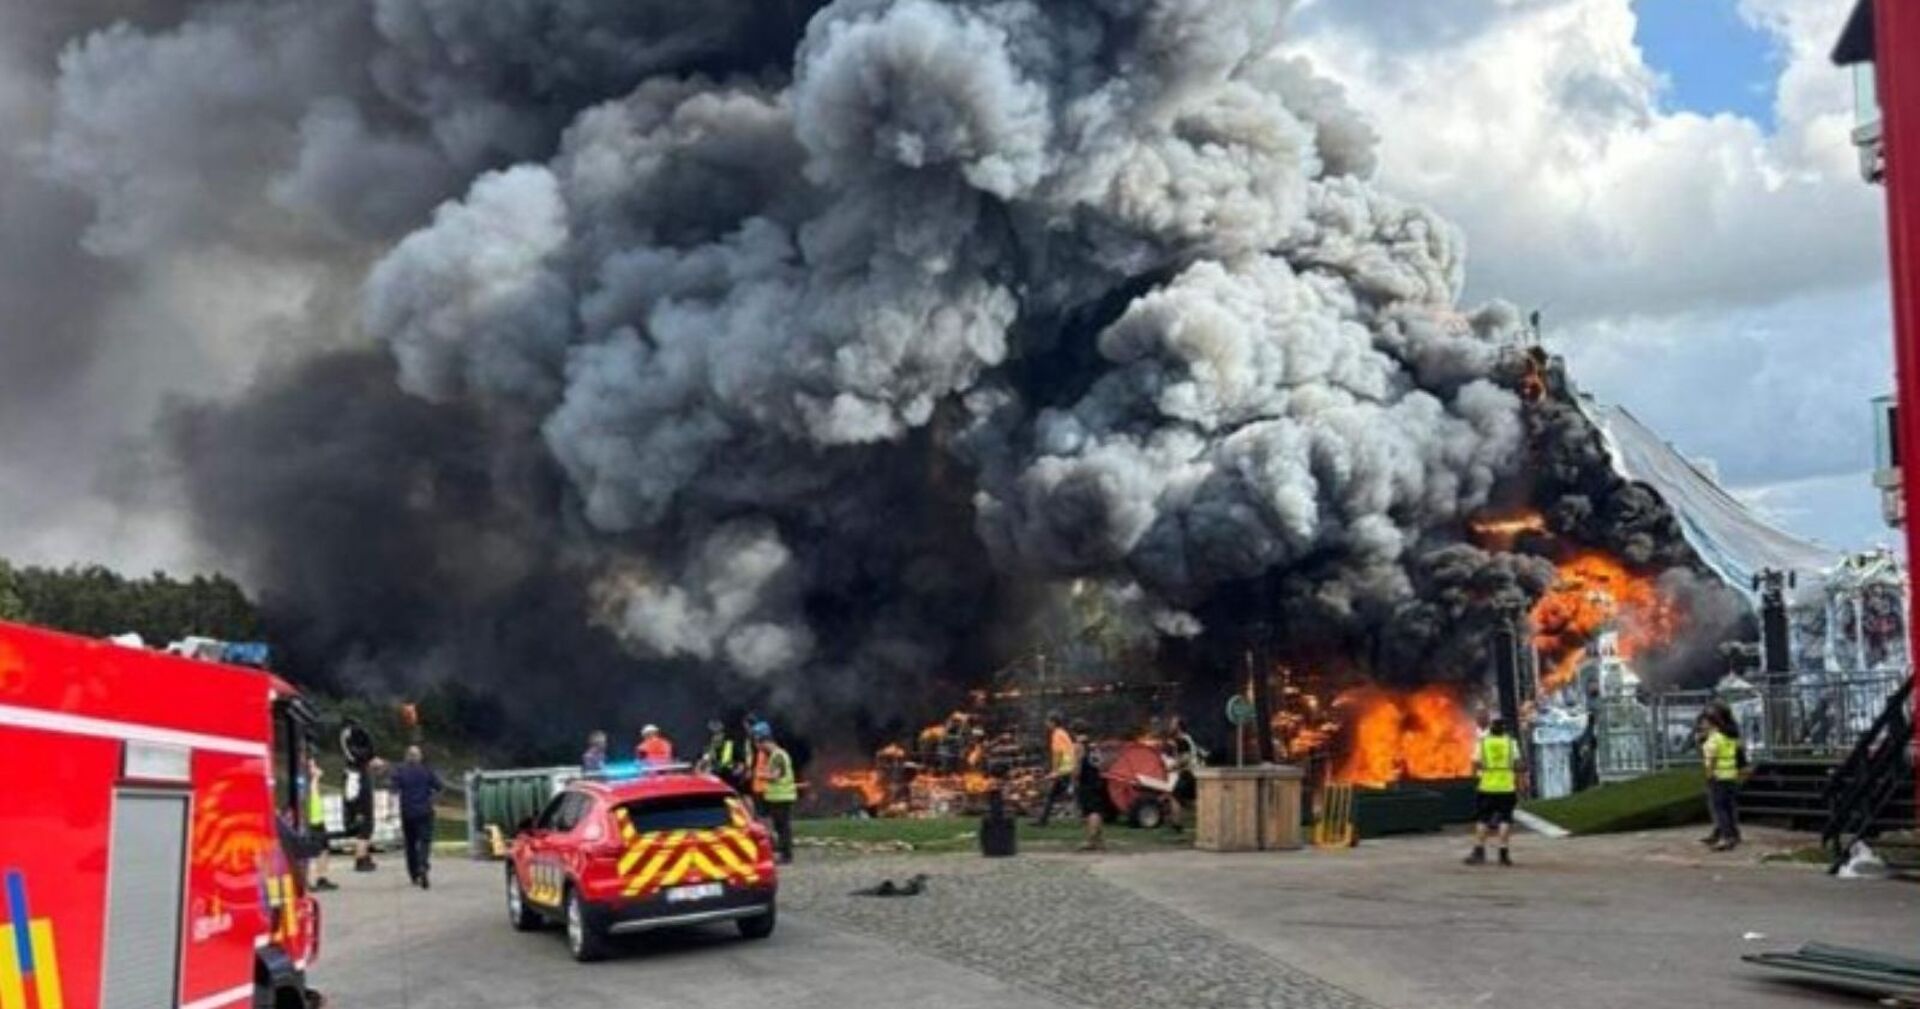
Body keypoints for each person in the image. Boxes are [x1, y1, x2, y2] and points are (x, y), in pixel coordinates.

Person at [1465, 717, 1523, 866]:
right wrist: (1520, 782)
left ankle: (1479, 851)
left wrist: (1476, 777)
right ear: (1504, 729)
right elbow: (1518, 765)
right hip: (1507, 786)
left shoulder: (1483, 743)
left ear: (1491, 728)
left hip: (1487, 787)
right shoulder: (1511, 743)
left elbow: (1475, 764)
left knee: (1483, 819)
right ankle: (1503, 853)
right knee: (1505, 819)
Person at [389, 746, 444, 889]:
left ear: (406, 757)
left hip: (407, 812)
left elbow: (393, 792)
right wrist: (433, 800)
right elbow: (439, 787)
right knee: (425, 841)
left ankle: (414, 874)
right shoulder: (426, 770)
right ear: (419, 757)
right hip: (425, 811)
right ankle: (423, 865)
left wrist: (391, 811)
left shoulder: (399, 771)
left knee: (410, 844)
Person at [752, 722, 797, 864]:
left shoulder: (777, 756)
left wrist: (760, 775)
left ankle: (786, 856)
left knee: (783, 828)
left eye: (758, 743)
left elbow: (776, 776)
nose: (757, 747)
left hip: (782, 798)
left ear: (763, 741)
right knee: (780, 827)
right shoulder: (774, 755)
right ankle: (784, 853)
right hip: (778, 798)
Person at [1702, 704, 1744, 851]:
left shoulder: (1716, 738)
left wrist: (1709, 774)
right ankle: (1729, 834)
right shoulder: (1730, 735)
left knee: (1720, 808)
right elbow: (1736, 751)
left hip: (1718, 776)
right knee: (1728, 806)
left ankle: (1727, 836)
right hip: (1730, 774)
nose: (1702, 724)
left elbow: (1712, 758)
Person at [1033, 713, 1077, 827]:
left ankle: (1042, 821)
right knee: (1055, 795)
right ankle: (1042, 820)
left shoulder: (1057, 734)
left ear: (1053, 722)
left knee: (1054, 795)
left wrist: (1055, 771)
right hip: (1068, 766)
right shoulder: (1063, 733)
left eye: (1047, 721)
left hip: (1064, 768)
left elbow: (1058, 753)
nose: (1046, 724)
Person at [304, 756, 338, 892]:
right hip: (310, 820)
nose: (316, 767)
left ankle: (321, 878)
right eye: (312, 766)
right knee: (310, 852)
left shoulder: (313, 781)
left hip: (318, 819)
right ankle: (307, 880)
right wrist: (316, 777)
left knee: (324, 849)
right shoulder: (307, 782)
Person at [1164, 715, 1202, 833]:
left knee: (1175, 796)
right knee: (1189, 800)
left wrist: (1171, 767)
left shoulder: (1182, 740)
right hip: (1191, 772)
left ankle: (1177, 825)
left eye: (1173, 724)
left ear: (1178, 727)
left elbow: (1185, 758)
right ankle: (1178, 823)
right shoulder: (1184, 739)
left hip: (1189, 773)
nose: (1170, 726)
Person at [1073, 725, 1105, 852]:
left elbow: (1077, 765)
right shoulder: (1094, 746)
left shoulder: (1078, 746)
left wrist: (1075, 778)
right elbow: (1101, 763)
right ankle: (1100, 841)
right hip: (1097, 779)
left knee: (1091, 812)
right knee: (1096, 810)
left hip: (1086, 781)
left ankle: (1091, 841)